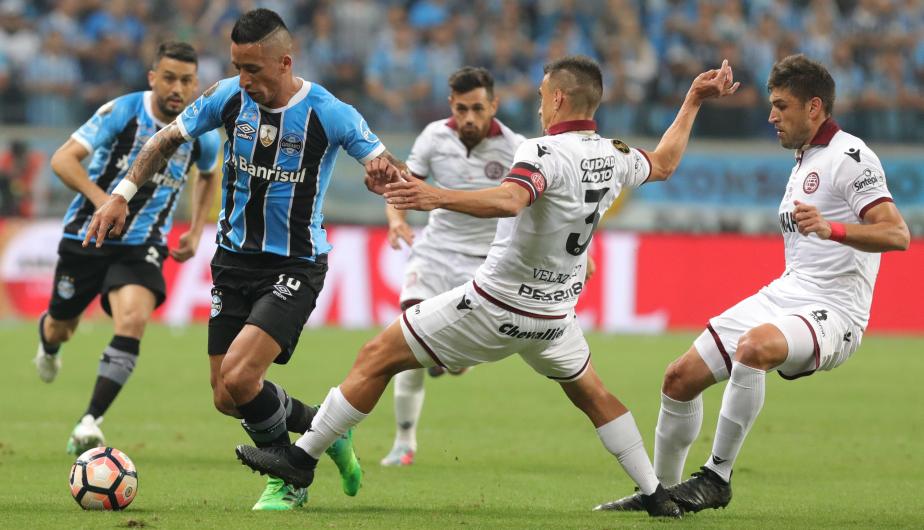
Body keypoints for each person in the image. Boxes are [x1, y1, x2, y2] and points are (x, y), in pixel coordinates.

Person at [234, 55, 741, 519]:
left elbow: (508, 200)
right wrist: (692, 100)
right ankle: (655, 494)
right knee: (594, 395)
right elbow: (667, 162)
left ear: (559, 98)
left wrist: (435, 196)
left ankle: (301, 460)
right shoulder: (614, 153)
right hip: (554, 317)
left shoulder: (541, 150)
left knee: (377, 355)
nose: (540, 102)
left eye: (544, 93)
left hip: (495, 304)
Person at [84, 9, 410, 511]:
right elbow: (164, 139)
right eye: (238, 66)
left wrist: (386, 182)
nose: (245, 79)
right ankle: (326, 427)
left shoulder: (328, 111)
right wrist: (122, 194)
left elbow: (388, 169)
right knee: (225, 396)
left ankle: (290, 479)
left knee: (240, 378)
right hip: (232, 262)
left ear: (284, 62)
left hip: (295, 265)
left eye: (254, 69)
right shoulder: (227, 98)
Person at [594, 54, 910, 514]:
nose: (771, 116)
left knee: (754, 348)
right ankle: (659, 494)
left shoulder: (851, 156)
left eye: (781, 106)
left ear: (815, 107)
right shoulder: (806, 159)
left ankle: (716, 478)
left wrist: (833, 229)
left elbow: (897, 233)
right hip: (787, 294)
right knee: (679, 378)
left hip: (836, 312)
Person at [34, 41, 220, 456]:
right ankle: (48, 343)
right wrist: (105, 201)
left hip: (142, 245)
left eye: (186, 80)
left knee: (133, 319)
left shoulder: (202, 129)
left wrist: (195, 226)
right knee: (61, 325)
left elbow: (208, 175)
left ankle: (90, 420)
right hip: (86, 236)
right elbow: (63, 160)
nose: (177, 88)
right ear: (153, 77)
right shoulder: (122, 112)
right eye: (169, 78)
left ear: (196, 85)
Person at [381, 66, 526, 467]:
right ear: (451, 105)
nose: (469, 119)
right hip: (435, 252)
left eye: (477, 109)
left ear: (494, 105)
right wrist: (396, 220)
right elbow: (402, 185)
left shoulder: (518, 148)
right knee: (407, 336)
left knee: (452, 360)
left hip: (484, 265)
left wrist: (582, 255)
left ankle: (452, 360)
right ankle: (404, 442)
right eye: (461, 109)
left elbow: (548, 206)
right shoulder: (433, 136)